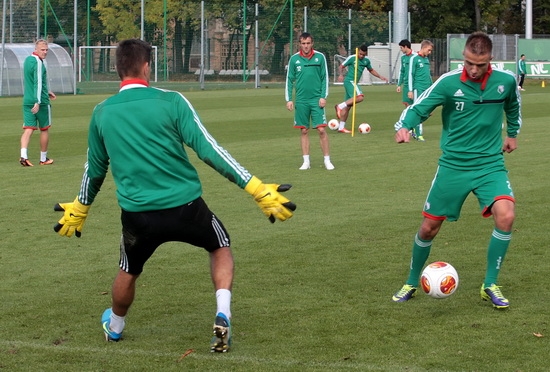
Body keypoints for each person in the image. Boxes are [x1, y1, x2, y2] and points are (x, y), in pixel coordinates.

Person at [52, 39, 296, 352]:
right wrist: (256, 188)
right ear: (146, 66)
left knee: (129, 269)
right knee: (220, 246)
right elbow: (209, 150)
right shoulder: (172, 101)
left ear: (118, 70)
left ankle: (114, 325)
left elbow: (94, 169)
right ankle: (223, 312)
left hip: (138, 216)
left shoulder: (102, 113)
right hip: (186, 207)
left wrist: (81, 208)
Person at [391, 31, 521, 310]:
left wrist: (512, 133)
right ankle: (412, 281)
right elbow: (419, 107)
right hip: (453, 165)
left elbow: (513, 105)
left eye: (480, 64)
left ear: (490, 60)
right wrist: (404, 126)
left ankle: (490, 285)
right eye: (469, 63)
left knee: (506, 215)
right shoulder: (448, 82)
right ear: (463, 57)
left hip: (490, 165)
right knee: (429, 228)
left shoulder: (506, 81)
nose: (473, 70)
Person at [285, 32, 334, 170]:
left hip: (316, 100)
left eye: (308, 43)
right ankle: (306, 161)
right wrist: (289, 99)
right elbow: (289, 79)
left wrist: (323, 96)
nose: (306, 46)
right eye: (303, 43)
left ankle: (327, 160)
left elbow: (325, 78)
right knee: (304, 130)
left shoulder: (320, 57)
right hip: (301, 100)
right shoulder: (294, 59)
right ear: (299, 44)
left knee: (321, 130)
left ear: (312, 44)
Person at [335, 45, 388, 133]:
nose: (361, 56)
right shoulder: (352, 58)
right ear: (358, 51)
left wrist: (380, 76)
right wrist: (341, 75)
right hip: (350, 81)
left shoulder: (366, 61)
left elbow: (371, 70)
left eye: (363, 55)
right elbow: (341, 66)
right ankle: (339, 106)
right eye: (360, 54)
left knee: (348, 106)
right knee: (360, 97)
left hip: (354, 82)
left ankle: (341, 127)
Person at [20, 39, 56, 167]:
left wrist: (47, 92)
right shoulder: (39, 62)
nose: (45, 52)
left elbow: (30, 81)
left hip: (27, 100)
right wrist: (38, 101)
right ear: (36, 49)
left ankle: (23, 156)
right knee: (44, 129)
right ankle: (43, 158)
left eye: (46, 50)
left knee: (28, 129)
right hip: (39, 102)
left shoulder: (27, 60)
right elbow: (38, 82)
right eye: (42, 50)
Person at [406, 40, 434, 142]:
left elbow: (428, 75)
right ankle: (419, 134)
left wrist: (432, 87)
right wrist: (410, 90)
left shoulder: (426, 60)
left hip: (427, 89)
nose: (430, 52)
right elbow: (410, 74)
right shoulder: (414, 58)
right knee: (419, 111)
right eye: (429, 50)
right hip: (418, 88)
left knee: (429, 112)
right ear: (424, 47)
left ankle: (412, 126)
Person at [396, 39, 414, 107]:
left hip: (414, 83)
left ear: (406, 46)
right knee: (407, 104)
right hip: (406, 84)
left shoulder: (415, 56)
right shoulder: (403, 58)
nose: (401, 49)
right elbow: (402, 71)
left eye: (401, 47)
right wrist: (399, 84)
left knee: (416, 103)